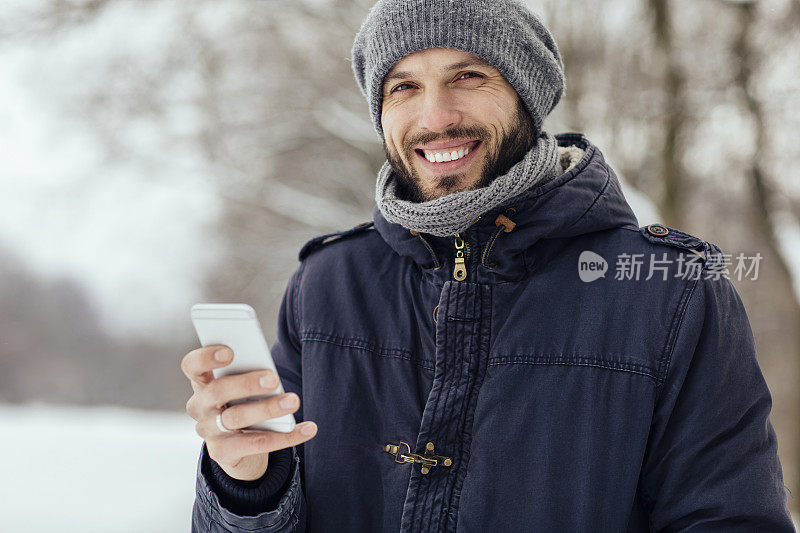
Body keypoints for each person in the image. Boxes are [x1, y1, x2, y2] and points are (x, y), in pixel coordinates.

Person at [183, 0, 795, 531]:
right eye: (403, 86)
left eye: (468, 77)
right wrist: (244, 482)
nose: (436, 116)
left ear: (526, 97)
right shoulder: (327, 284)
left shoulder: (674, 292)